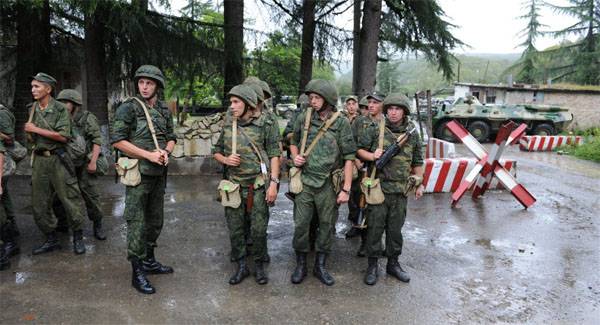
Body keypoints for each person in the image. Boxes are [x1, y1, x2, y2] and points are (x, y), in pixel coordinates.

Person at [111, 65, 176, 294]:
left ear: (157, 85)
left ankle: (149, 260)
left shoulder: (163, 109)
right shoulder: (129, 108)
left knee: (155, 220)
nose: (145, 87)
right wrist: (149, 154)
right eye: (141, 82)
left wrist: (166, 152)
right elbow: (118, 140)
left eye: (149, 83)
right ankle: (137, 272)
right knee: (137, 223)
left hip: (159, 174)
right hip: (139, 175)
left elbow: (171, 137)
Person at [289, 79, 356, 286]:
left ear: (328, 100)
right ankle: (301, 264)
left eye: (317, 98)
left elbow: (349, 157)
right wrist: (295, 157)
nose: (313, 101)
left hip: (328, 183)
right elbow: (292, 142)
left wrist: (346, 188)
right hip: (306, 181)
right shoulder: (304, 117)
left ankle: (320, 265)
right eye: (311, 97)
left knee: (326, 226)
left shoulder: (341, 122)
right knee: (301, 224)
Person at [213, 84, 281, 285]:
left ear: (248, 104)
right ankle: (241, 267)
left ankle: (259, 266)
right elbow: (216, 150)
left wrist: (274, 184)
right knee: (235, 229)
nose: (232, 106)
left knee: (259, 230)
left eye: (236, 102)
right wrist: (225, 160)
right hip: (234, 186)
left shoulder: (264, 124)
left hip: (258, 186)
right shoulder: (228, 124)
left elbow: (275, 155)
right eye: (231, 102)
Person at [356, 93, 424, 285]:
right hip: (378, 189)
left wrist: (419, 183)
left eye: (398, 109)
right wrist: (372, 155)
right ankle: (372, 265)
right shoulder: (375, 128)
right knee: (375, 229)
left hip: (401, 191)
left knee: (395, 231)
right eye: (390, 109)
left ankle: (393, 264)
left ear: (404, 112)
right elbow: (358, 151)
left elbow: (418, 160)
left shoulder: (412, 134)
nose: (393, 113)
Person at [25, 72, 87, 255]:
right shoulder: (33, 108)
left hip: (58, 159)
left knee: (70, 198)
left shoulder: (60, 109)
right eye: (32, 87)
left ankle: (77, 236)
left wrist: (36, 129)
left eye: (37, 86)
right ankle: (51, 238)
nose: (33, 90)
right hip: (40, 160)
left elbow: (64, 136)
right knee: (39, 203)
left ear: (48, 89)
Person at [54, 89, 107, 240]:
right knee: (60, 195)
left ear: (75, 104)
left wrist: (93, 162)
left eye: (66, 102)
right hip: (66, 162)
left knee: (91, 195)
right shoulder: (58, 118)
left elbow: (97, 140)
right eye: (61, 102)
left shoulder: (86, 118)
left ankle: (98, 224)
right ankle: (63, 223)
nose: (63, 105)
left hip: (85, 162)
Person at [0, 103, 19, 269]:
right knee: (4, 198)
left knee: (2, 200)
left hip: (3, 163)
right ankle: (11, 234)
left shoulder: (2, 113)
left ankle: (9, 239)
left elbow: (9, 138)